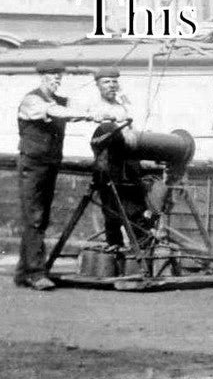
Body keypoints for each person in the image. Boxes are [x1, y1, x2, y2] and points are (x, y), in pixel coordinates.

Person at [15, 60, 111, 290]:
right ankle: (36, 273)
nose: (57, 80)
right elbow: (56, 112)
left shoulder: (60, 101)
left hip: (50, 164)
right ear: (43, 77)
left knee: (39, 218)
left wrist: (98, 110)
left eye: (59, 76)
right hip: (32, 165)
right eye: (53, 76)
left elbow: (73, 111)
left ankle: (24, 272)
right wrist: (87, 115)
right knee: (35, 217)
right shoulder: (32, 100)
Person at [77, 67, 147, 251]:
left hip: (129, 164)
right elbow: (94, 140)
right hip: (107, 165)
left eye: (114, 81)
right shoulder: (94, 109)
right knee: (111, 211)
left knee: (135, 210)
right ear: (98, 85)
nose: (111, 85)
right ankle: (114, 250)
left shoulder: (123, 107)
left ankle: (141, 251)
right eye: (106, 82)